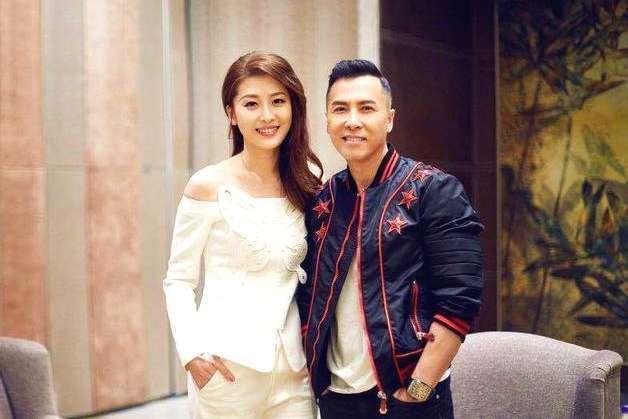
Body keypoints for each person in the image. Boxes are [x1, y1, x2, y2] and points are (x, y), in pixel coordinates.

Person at [297, 59, 484, 418]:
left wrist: (418, 390)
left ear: (389, 119)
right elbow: (309, 295)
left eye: (366, 108)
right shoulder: (323, 201)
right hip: (337, 397)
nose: (352, 121)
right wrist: (318, 378)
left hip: (408, 395)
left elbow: (460, 300)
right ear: (327, 120)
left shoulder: (432, 189)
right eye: (340, 109)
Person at [163, 51, 322, 419]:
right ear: (232, 113)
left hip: (293, 372)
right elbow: (179, 280)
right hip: (225, 370)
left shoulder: (307, 181)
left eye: (278, 101)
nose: (267, 115)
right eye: (252, 103)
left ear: (293, 107)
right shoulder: (207, 185)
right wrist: (192, 353)